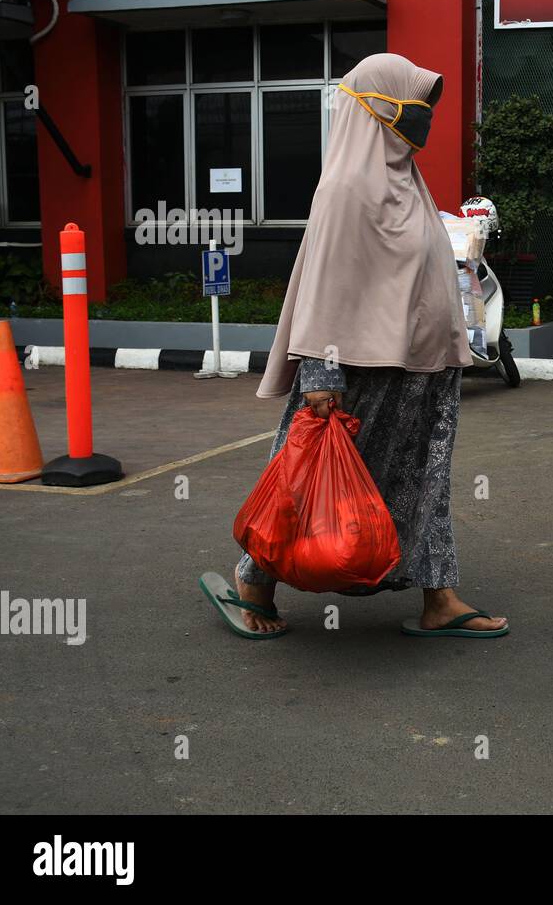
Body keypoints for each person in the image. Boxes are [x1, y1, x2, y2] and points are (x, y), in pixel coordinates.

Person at [201, 53, 508, 641]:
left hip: (422, 366)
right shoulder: (346, 186)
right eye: (413, 103)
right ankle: (254, 579)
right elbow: (326, 282)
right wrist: (319, 372)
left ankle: (437, 596)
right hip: (359, 369)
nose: (423, 116)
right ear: (376, 108)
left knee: (424, 481)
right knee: (305, 478)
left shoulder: (402, 176)